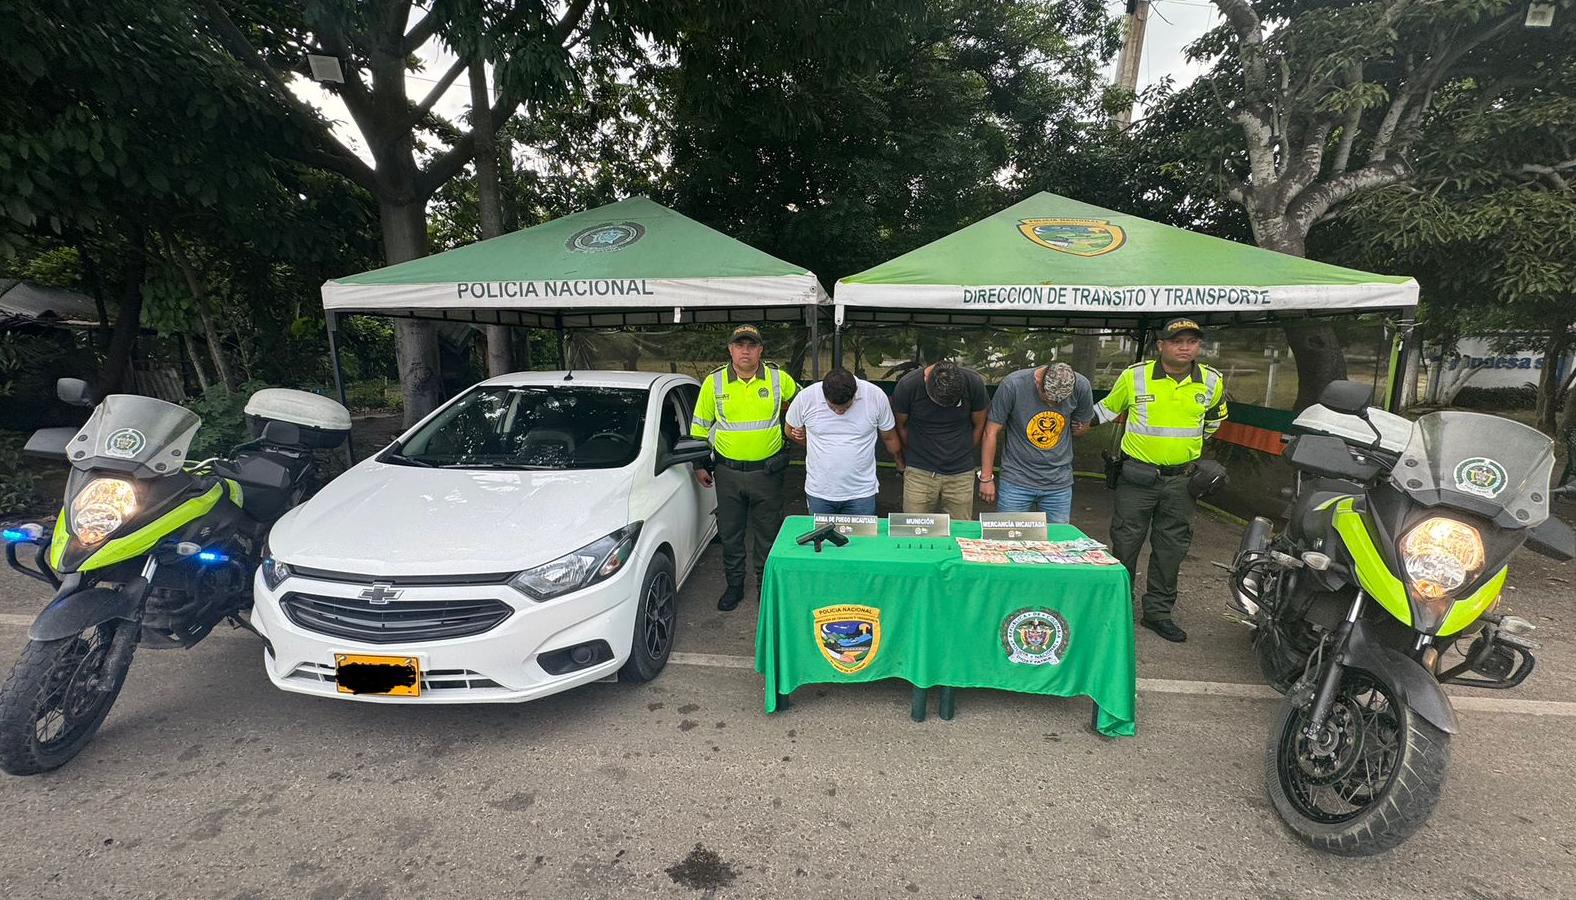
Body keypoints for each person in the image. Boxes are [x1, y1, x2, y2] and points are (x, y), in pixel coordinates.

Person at [1093, 318, 1229, 643]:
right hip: (1137, 478)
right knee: (1125, 544)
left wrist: (1184, 450)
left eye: (1192, 342)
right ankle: (1117, 610)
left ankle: (1158, 614)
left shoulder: (1211, 382)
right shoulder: (1135, 376)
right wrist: (1070, 423)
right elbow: (1106, 411)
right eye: (1177, 341)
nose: (1185, 347)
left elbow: (1214, 421)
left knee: (1171, 550)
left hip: (1182, 481)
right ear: (1161, 346)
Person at [690, 325, 799, 611]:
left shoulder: (779, 378)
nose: (746, 351)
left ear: (761, 349)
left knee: (768, 533)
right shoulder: (714, 383)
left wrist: (798, 429)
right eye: (740, 345)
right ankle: (734, 586)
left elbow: (805, 405)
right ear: (730, 349)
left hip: (767, 473)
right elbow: (699, 427)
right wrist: (700, 464)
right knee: (731, 534)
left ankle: (766, 587)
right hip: (727, 474)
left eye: (752, 345)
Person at [978, 362, 1094, 522]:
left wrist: (1081, 429)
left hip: (1059, 482)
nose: (1052, 405)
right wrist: (986, 478)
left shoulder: (1082, 385)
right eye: (1048, 400)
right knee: (1008, 539)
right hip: (1016, 479)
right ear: (1038, 381)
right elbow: (990, 432)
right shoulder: (1013, 384)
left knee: (1058, 543)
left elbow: (1084, 426)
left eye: (1058, 402)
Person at [784, 368, 903, 516]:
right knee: (822, 538)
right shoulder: (806, 398)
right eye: (832, 407)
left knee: (862, 539)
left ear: (855, 393)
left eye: (846, 407)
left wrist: (901, 464)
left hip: (861, 492)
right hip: (819, 492)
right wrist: (809, 442)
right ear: (824, 394)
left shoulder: (875, 396)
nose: (840, 412)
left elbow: (889, 437)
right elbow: (789, 430)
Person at [891, 359, 989, 520]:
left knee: (961, 530)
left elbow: (979, 425)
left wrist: (963, 451)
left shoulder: (973, 382)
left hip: (961, 472)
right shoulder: (908, 386)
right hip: (919, 471)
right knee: (914, 528)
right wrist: (916, 453)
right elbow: (901, 426)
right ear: (926, 381)